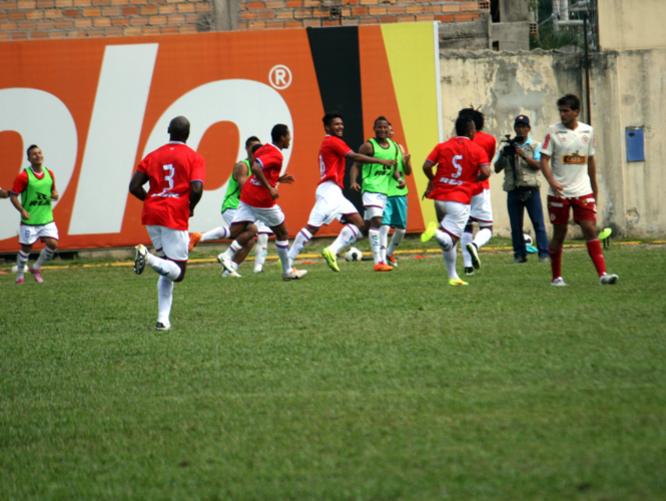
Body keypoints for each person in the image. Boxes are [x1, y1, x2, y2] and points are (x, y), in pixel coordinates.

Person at [287, 112, 394, 272]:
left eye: (341, 124)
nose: (340, 126)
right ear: (327, 127)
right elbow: (354, 156)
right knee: (312, 227)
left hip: (335, 192)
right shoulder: (332, 141)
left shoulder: (330, 141)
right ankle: (288, 260)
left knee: (360, 225)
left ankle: (332, 250)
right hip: (328, 190)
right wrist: (380, 160)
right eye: (336, 124)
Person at [129, 116, 205, 331]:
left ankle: (163, 320)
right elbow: (197, 188)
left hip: (152, 215)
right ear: (188, 135)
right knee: (178, 273)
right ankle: (148, 256)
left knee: (167, 268)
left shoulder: (153, 155)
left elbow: (134, 186)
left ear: (168, 131)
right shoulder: (194, 157)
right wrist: (190, 207)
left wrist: (152, 201)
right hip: (173, 215)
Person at [540, 94, 619, 286]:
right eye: (561, 111)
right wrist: (552, 181)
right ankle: (556, 277)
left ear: (576, 112)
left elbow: (590, 161)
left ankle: (602, 274)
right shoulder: (553, 132)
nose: (562, 114)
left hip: (582, 190)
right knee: (560, 233)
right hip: (559, 192)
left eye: (566, 111)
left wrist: (594, 188)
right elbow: (544, 160)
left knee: (590, 229)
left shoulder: (588, 131)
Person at [218, 124, 307, 281]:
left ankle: (225, 255)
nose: (290, 139)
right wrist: (270, 188)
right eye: (288, 136)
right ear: (282, 138)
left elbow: (259, 165)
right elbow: (257, 167)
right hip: (261, 200)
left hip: (247, 196)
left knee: (235, 230)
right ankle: (287, 271)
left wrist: (277, 179)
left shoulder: (265, 147)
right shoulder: (277, 155)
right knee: (282, 233)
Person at [421, 115, 490, 286]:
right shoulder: (477, 149)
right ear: (470, 130)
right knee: (449, 239)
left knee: (448, 239)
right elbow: (486, 172)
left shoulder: (442, 146)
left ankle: (452, 276)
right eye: (474, 129)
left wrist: (434, 180)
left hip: (439, 198)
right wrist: (474, 179)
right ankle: (434, 231)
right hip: (458, 200)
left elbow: (426, 166)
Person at [189, 137, 271, 276]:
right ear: (248, 150)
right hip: (232, 206)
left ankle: (229, 269)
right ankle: (219, 251)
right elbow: (245, 189)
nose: (256, 153)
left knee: (250, 240)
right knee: (251, 230)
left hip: (244, 209)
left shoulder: (259, 170)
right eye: (253, 149)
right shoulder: (243, 166)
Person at [494, 114, 549, 262]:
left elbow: (539, 165)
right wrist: (503, 156)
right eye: (518, 127)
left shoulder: (535, 146)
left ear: (528, 129)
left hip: (530, 189)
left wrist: (523, 155)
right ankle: (519, 254)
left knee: (538, 223)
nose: (520, 130)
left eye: (523, 126)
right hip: (513, 189)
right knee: (515, 226)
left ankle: (544, 254)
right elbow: (497, 168)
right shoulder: (507, 147)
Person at [349, 116, 399, 272]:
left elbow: (394, 167)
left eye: (385, 127)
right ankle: (378, 261)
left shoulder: (394, 147)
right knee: (378, 221)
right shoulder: (368, 147)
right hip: (370, 189)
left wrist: (399, 179)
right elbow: (356, 164)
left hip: (384, 191)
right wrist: (353, 181)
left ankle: (339, 245)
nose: (382, 130)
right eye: (379, 127)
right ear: (374, 129)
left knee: (368, 226)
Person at [9, 145, 59, 284]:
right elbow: (13, 196)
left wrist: (55, 195)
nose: (38, 155)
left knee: (53, 244)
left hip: (47, 219)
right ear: (29, 159)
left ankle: (36, 267)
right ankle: (20, 275)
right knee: (26, 250)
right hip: (30, 221)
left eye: (39, 152)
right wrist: (22, 210)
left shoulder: (49, 173)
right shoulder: (23, 176)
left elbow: (53, 192)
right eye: (34, 154)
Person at [457, 108, 496, 275]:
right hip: (480, 187)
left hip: (462, 188)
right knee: (486, 227)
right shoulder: (489, 140)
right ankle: (475, 245)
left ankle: (467, 266)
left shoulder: (455, 142)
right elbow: (488, 161)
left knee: (466, 225)